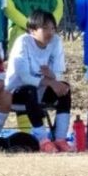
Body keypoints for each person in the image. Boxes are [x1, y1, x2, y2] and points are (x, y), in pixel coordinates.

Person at [5, 10, 73, 152]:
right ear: (32, 30)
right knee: (29, 90)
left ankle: (60, 139)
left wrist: (52, 77)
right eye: (45, 28)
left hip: (40, 90)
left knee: (65, 89)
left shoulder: (56, 41)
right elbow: (25, 78)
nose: (50, 32)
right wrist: (49, 81)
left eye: (53, 28)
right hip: (16, 92)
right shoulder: (23, 42)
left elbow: (58, 74)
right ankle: (43, 139)